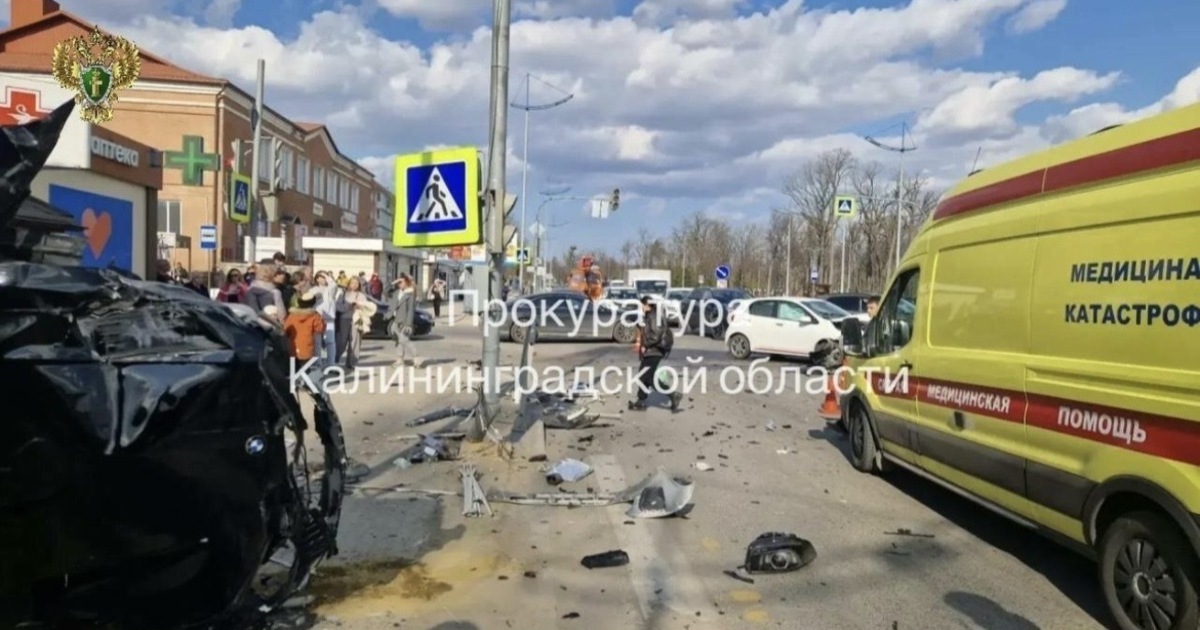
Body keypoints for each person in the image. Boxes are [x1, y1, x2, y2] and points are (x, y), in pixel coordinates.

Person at [628, 296, 682, 412]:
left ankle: (673, 395)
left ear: (648, 305)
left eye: (642, 305)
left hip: (654, 350)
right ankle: (640, 402)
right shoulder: (651, 316)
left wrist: (645, 345)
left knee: (646, 377)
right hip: (653, 350)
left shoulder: (654, 316)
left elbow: (655, 336)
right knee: (645, 376)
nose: (641, 308)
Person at [336, 277, 372, 370]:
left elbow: (367, 307)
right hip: (344, 319)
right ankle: (335, 360)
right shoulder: (343, 294)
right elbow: (338, 307)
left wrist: (360, 306)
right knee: (342, 341)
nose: (354, 285)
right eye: (352, 283)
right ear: (349, 284)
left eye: (356, 283)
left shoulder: (362, 295)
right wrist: (348, 305)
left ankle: (351, 363)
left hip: (357, 319)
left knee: (355, 341)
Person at [285, 289, 326, 363]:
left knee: (293, 367)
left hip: (293, 346)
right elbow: (320, 329)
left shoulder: (292, 315)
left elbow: (286, 329)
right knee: (305, 367)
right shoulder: (314, 316)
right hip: (307, 346)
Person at [390, 274, 422, 367]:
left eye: (401, 282)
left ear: (407, 283)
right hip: (396, 320)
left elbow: (410, 310)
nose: (399, 284)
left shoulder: (410, 294)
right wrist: (393, 282)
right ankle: (400, 359)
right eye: (398, 282)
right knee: (399, 341)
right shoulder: (397, 292)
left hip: (404, 321)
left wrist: (408, 324)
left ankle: (417, 357)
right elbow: (385, 291)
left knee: (405, 340)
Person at [313, 272, 340, 365]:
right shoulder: (313, 289)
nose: (324, 278)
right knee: (317, 342)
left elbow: (334, 285)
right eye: (321, 276)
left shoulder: (331, 289)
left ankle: (331, 363)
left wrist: (327, 276)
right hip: (317, 317)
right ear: (317, 279)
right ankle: (318, 363)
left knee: (330, 341)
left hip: (329, 318)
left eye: (325, 276)